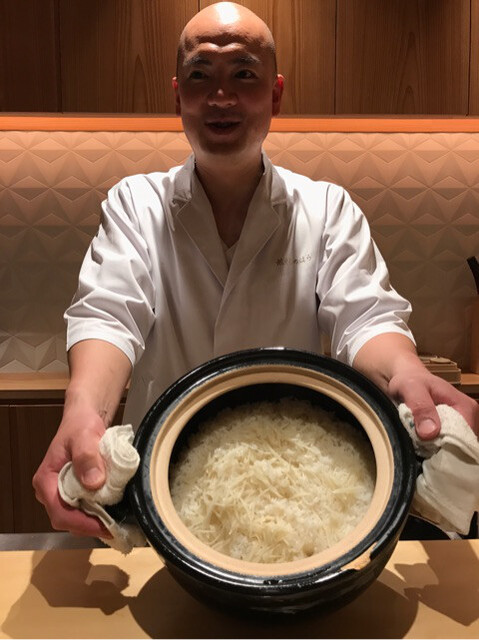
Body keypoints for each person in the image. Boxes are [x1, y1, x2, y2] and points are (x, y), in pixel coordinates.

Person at [33, 2, 478, 539]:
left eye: (243, 74)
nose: (221, 96)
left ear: (275, 94)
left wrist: (404, 369)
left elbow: (366, 318)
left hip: (292, 496)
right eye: (201, 75)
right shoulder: (136, 204)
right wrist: (85, 412)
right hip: (162, 485)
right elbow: (108, 316)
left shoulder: (326, 209)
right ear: (178, 94)